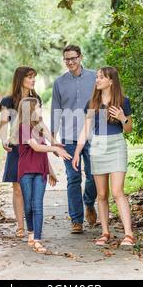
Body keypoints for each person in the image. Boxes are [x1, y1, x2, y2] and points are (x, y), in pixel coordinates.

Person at [72, 66, 135, 248]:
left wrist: (123, 117)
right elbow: (86, 130)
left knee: (117, 191)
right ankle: (105, 232)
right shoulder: (93, 102)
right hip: (98, 146)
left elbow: (129, 129)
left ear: (111, 81)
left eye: (101, 77)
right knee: (101, 193)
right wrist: (77, 152)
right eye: (97, 77)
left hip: (116, 145)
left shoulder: (123, 101)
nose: (97, 80)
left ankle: (128, 234)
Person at [10, 97, 72, 253]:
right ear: (29, 110)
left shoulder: (40, 127)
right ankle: (31, 231)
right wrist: (55, 149)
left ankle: (37, 239)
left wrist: (50, 170)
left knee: (37, 204)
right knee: (29, 205)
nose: (40, 109)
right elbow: (36, 148)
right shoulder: (23, 128)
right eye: (38, 107)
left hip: (40, 171)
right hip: (25, 171)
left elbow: (47, 147)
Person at [50, 45, 98, 234]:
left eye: (73, 58)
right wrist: (53, 138)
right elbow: (56, 110)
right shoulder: (59, 83)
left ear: (80, 57)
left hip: (93, 134)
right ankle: (76, 220)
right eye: (67, 59)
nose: (70, 62)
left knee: (94, 176)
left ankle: (89, 202)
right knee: (73, 178)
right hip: (69, 137)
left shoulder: (94, 77)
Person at [0, 66, 42, 238]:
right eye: (30, 77)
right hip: (16, 148)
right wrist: (3, 139)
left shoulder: (36, 99)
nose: (33, 80)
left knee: (31, 188)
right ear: (21, 79)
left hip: (32, 148)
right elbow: (3, 124)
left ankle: (33, 224)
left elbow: (40, 123)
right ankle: (20, 225)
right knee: (17, 189)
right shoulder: (8, 101)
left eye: (34, 77)